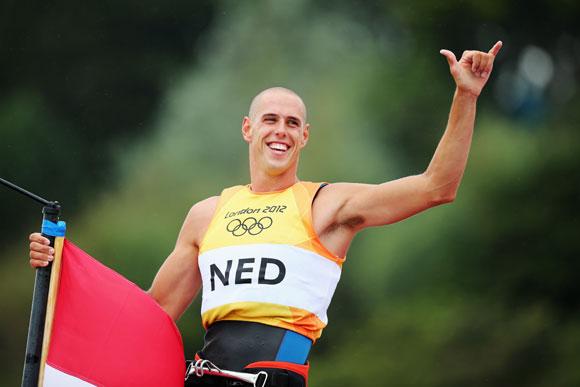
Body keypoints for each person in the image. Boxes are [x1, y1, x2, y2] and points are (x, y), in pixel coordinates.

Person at [28, 41, 503, 386]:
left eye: (293, 123)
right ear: (247, 129)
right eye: (270, 120)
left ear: (305, 137)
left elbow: (436, 187)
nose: (281, 131)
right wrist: (59, 270)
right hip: (204, 379)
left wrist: (465, 97)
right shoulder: (206, 215)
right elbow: (150, 314)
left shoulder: (327, 206)